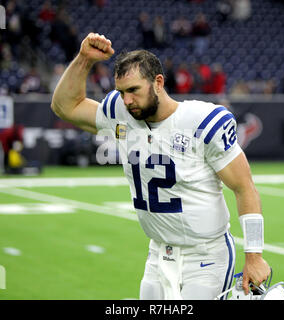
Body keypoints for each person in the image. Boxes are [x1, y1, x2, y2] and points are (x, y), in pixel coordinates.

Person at [51, 33, 270, 300]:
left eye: (133, 90)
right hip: (158, 254)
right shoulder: (121, 112)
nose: (127, 100)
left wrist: (255, 255)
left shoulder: (201, 121)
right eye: (121, 92)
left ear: (158, 82)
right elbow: (65, 106)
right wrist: (84, 59)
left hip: (205, 256)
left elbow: (244, 187)